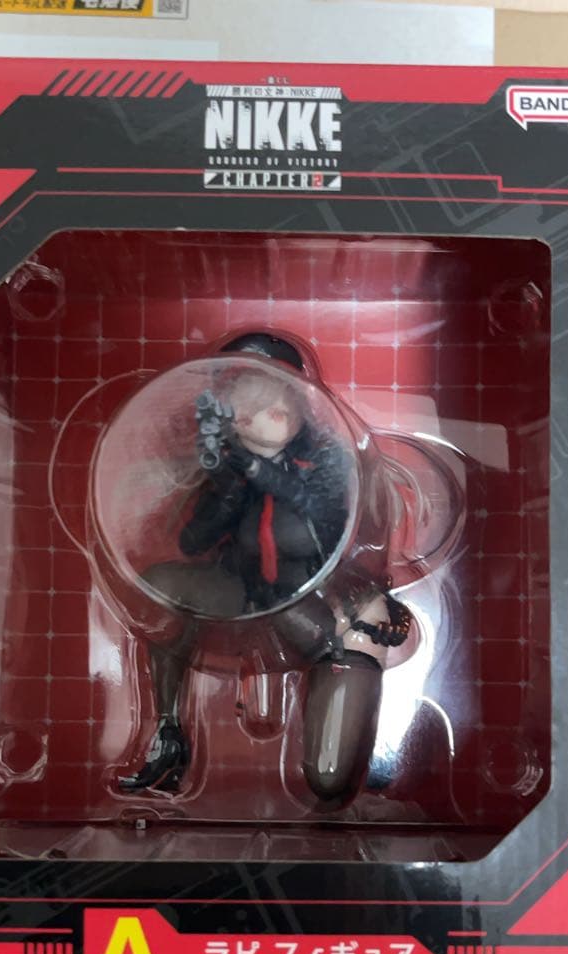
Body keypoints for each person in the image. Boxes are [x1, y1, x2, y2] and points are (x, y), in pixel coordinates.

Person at [118, 333, 410, 804]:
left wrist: (256, 471)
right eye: (240, 401)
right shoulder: (232, 467)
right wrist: (229, 490)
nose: (252, 413)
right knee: (163, 586)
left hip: (331, 616)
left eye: (267, 399)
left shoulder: (330, 459)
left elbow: (322, 527)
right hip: (253, 599)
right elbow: (194, 542)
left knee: (329, 776)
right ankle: (169, 733)